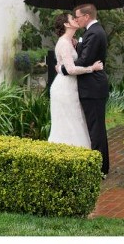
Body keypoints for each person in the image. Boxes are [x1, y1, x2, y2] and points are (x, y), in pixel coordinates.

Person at [62, 3, 110, 175]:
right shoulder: (90, 33)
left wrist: (63, 68)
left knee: (96, 128)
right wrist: (77, 46)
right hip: (91, 86)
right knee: (95, 127)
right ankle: (101, 165)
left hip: (93, 87)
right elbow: (86, 55)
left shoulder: (95, 33)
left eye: (78, 17)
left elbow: (84, 60)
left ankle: (100, 168)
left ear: (87, 16)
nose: (76, 20)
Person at [48, 12, 103, 148]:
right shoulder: (64, 43)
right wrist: (92, 68)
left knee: (75, 121)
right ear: (67, 24)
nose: (75, 19)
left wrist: (76, 45)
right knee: (68, 124)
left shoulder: (69, 42)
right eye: (72, 18)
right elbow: (71, 69)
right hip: (64, 88)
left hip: (71, 86)